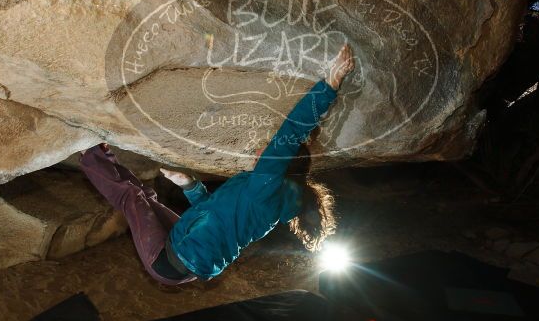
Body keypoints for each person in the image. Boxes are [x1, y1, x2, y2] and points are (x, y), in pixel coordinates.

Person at [79, 43, 355, 285]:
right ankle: (102, 156)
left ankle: (88, 151)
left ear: (281, 164)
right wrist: (190, 185)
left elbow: (291, 131)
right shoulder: (267, 197)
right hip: (193, 252)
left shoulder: (266, 185)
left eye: (269, 151)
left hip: (171, 263)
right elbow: (216, 213)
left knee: (132, 198)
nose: (262, 149)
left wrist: (329, 86)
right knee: (146, 197)